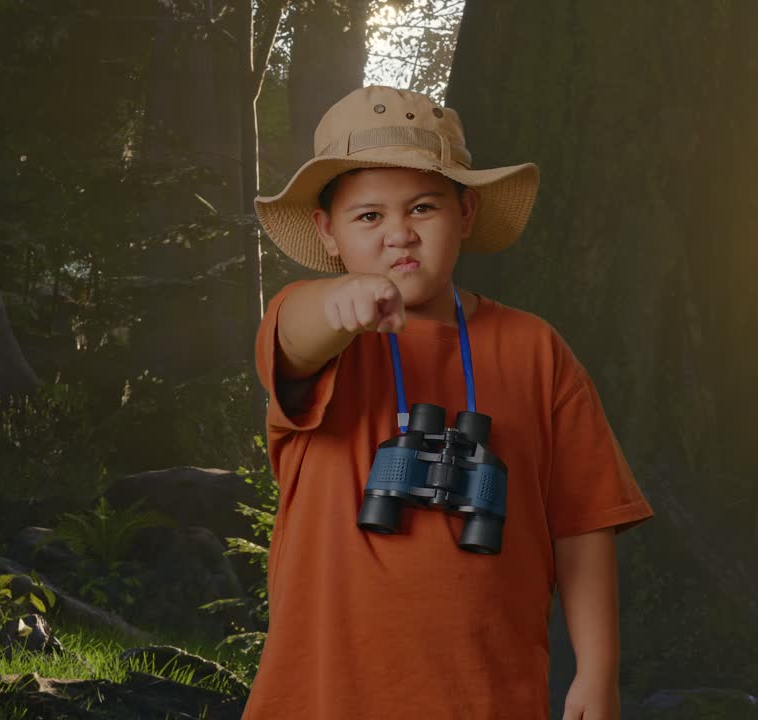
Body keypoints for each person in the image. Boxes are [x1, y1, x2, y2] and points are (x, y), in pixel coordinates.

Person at [243, 85, 654, 719]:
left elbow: (583, 521)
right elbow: (293, 340)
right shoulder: (321, 333)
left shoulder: (535, 350)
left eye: (424, 208)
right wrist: (337, 307)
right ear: (327, 232)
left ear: (465, 215)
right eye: (369, 217)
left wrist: (598, 671)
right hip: (325, 696)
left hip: (487, 695)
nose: (399, 236)